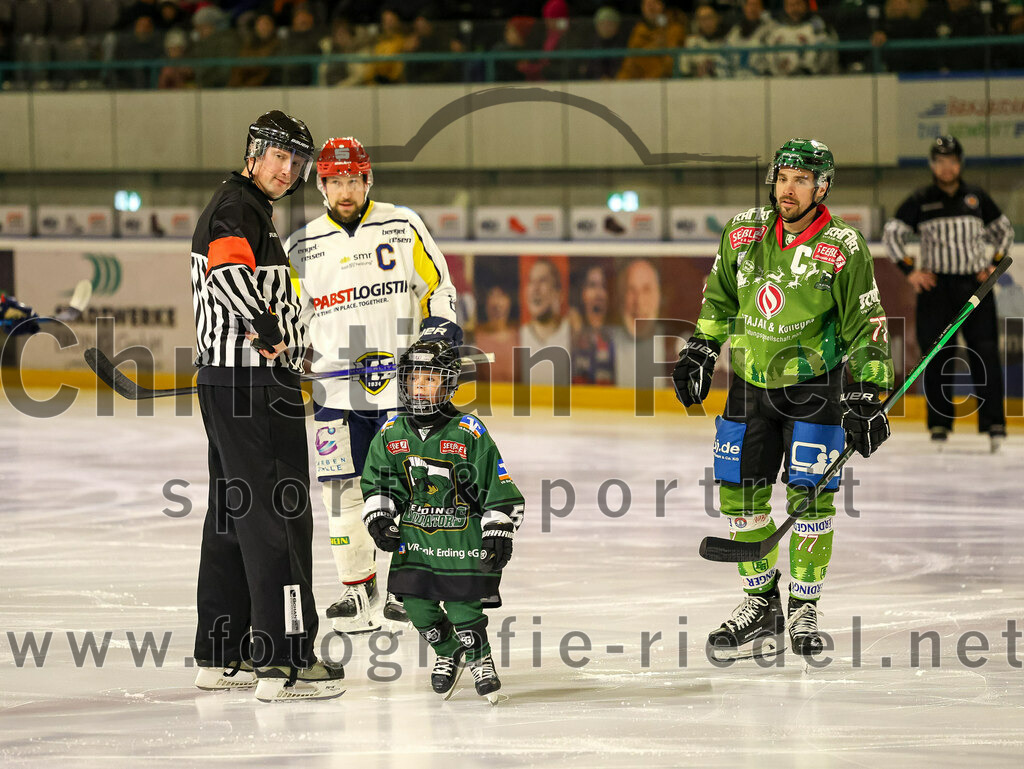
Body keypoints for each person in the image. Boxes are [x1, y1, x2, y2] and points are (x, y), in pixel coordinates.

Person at [673, 138, 894, 660]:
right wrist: (702, 347)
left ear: (821, 187)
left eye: (800, 179)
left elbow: (867, 324)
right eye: (782, 177)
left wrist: (865, 393)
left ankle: (803, 606)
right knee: (739, 493)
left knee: (809, 499)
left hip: (815, 386)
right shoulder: (743, 232)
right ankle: (761, 603)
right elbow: (720, 296)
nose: (787, 189)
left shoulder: (842, 247)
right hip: (750, 383)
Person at [190, 110, 344, 702]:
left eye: (296, 162)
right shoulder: (239, 207)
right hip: (255, 386)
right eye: (279, 156)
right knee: (279, 512)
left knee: (232, 514)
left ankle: (222, 653)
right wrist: (269, 332)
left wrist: (291, 343)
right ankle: (285, 661)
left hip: (231, 382)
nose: (287, 169)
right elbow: (231, 277)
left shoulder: (242, 207)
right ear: (254, 151)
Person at [286, 136, 461, 635]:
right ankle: (357, 588)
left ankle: (406, 587)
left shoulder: (403, 225)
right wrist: (294, 349)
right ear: (322, 184)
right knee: (341, 492)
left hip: (399, 391)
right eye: (336, 181)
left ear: (369, 180)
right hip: (334, 395)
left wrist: (439, 329)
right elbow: (290, 314)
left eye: (354, 180)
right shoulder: (300, 246)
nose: (346, 190)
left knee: (410, 485)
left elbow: (439, 289)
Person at [360, 339, 525, 702]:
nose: (420, 386)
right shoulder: (391, 432)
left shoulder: (468, 431)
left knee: (465, 609)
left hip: (462, 540)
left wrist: (499, 529)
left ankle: (481, 659)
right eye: (414, 378)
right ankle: (448, 651)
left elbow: (496, 485)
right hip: (416, 541)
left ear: (449, 384)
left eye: (431, 378)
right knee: (417, 609)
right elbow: (380, 480)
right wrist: (380, 514)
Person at [882, 136, 1013, 451]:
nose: (946, 166)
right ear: (932, 164)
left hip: (975, 288)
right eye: (940, 160)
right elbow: (892, 234)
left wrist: (993, 267)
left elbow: (1004, 231)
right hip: (937, 289)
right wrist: (910, 271)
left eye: (952, 160)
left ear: (960, 162)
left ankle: (994, 423)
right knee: (939, 356)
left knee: (986, 353)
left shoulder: (976, 197)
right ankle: (939, 425)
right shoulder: (921, 199)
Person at [519, 258, 571, 384]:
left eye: (543, 281)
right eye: (531, 281)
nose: (535, 289)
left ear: (558, 294)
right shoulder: (519, 336)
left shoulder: (571, 334)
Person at [617, 0, 687, 80]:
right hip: (643, 83)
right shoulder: (638, 31)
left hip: (671, 82)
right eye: (647, 4)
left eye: (654, 3)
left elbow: (674, 60)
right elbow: (630, 64)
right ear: (642, 8)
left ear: (662, 6)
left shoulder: (675, 30)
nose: (651, 7)